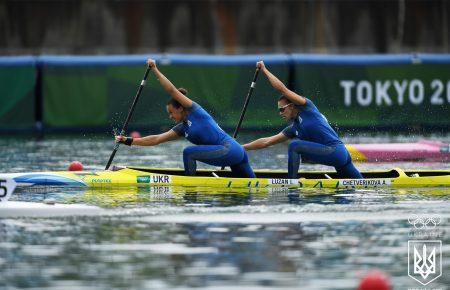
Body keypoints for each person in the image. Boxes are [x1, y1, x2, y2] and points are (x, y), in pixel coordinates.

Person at [115, 58, 255, 178]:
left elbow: (171, 91)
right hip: (237, 153)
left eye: (171, 112)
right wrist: (128, 140)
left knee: (188, 152)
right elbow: (156, 139)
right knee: (252, 186)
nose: (170, 116)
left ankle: (190, 186)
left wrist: (155, 69)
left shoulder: (195, 111)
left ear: (180, 107)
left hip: (230, 150)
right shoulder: (182, 128)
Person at [243, 61, 363, 179]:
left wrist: (264, 70)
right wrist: (241, 148)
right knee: (359, 186)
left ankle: (291, 183)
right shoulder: (293, 128)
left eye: (281, 109)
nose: (280, 113)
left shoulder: (307, 107)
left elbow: (282, 90)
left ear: (291, 106)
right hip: (341, 157)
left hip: (336, 152)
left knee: (294, 146)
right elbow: (267, 141)